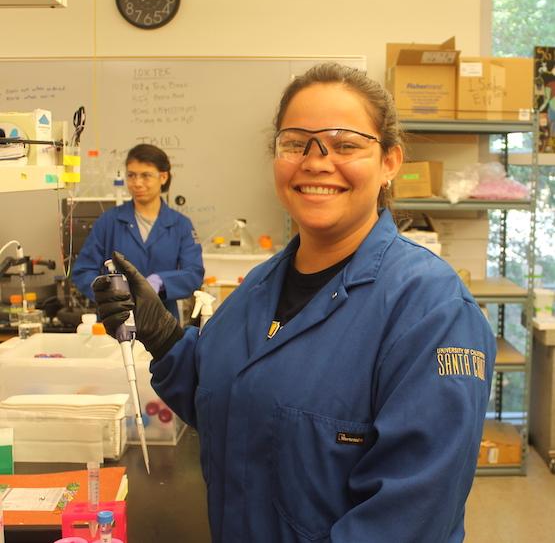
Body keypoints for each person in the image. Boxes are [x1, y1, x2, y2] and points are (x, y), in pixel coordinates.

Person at [93, 64, 495, 542]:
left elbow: (406, 518)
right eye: (295, 142)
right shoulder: (257, 289)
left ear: (390, 162)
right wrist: (163, 338)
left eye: (345, 144)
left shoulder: (431, 309)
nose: (316, 161)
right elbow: (230, 406)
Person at [72, 143, 204, 320]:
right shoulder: (108, 222)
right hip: (116, 319)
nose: (137, 183)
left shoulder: (180, 225)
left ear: (163, 177)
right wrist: (107, 291)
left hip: (163, 320)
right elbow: (83, 270)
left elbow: (193, 273)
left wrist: (161, 282)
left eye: (146, 176)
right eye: (131, 175)